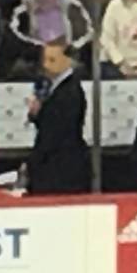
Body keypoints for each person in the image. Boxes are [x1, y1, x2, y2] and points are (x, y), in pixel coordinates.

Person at [25, 39, 91, 194]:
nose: (46, 65)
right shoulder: (53, 87)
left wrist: (33, 161)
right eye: (45, 60)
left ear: (68, 60)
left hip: (62, 168)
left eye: (52, 60)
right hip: (54, 164)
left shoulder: (70, 92)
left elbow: (55, 132)